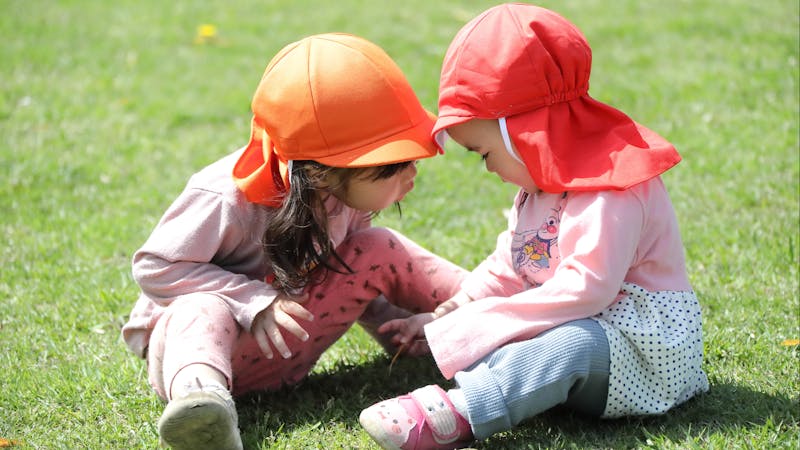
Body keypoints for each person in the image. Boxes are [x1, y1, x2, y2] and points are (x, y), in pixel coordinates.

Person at [358, 4, 709, 449]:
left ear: (523, 132)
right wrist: (451, 313)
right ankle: (501, 383)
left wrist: (482, 324)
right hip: (585, 333)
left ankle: (458, 415)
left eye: (484, 152)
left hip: (642, 350)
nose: (487, 169)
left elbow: (587, 292)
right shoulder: (539, 189)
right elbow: (511, 265)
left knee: (568, 345)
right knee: (535, 337)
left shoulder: (609, 187)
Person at [121, 33, 467, 450]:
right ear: (321, 172)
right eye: (393, 167)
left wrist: (397, 332)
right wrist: (253, 301)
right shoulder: (225, 195)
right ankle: (205, 411)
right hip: (200, 355)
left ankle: (488, 308)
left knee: (379, 246)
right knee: (203, 306)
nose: (411, 175)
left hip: (292, 341)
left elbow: (352, 273)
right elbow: (156, 267)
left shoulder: (343, 192)